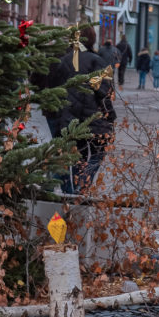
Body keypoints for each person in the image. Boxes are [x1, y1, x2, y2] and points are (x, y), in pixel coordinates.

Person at [54, 25, 116, 194]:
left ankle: (71, 190)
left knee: (76, 156)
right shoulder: (97, 61)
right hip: (94, 119)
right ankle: (83, 187)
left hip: (70, 118)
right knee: (97, 153)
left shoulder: (65, 61)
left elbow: (56, 89)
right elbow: (104, 92)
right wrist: (110, 115)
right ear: (93, 40)